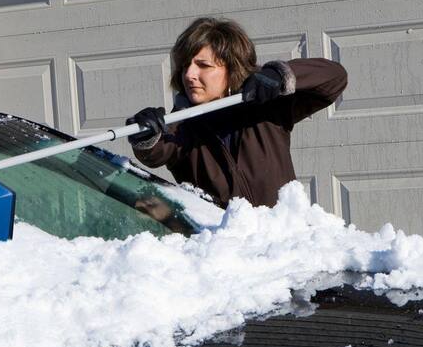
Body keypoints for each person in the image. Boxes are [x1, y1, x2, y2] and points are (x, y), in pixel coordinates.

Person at [126, 17, 348, 208]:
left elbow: (333, 78)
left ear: (231, 68)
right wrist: (145, 133)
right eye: (185, 66)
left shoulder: (265, 109)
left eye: (203, 65)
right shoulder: (181, 126)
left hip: (284, 243)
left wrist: (281, 74)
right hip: (227, 250)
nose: (190, 74)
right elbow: (156, 152)